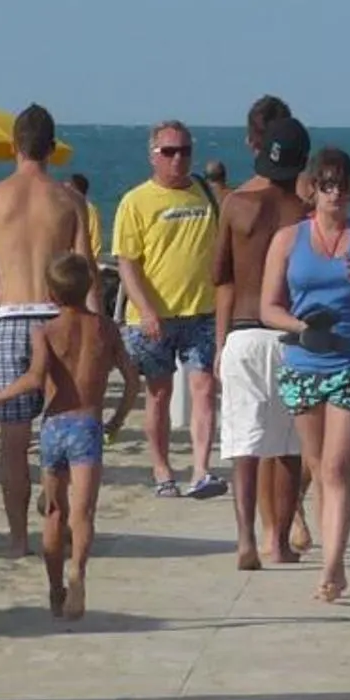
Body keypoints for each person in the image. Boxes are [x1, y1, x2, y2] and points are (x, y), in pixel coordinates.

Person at [0, 105, 90, 557]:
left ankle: (17, 540)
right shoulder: (70, 201)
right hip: (58, 321)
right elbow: (85, 272)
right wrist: (96, 330)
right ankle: (58, 522)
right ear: (52, 148)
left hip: (11, 321)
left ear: (13, 146)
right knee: (63, 434)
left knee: (13, 443)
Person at [260, 144, 350, 604]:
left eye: (343, 186)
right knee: (315, 466)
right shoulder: (287, 240)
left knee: (337, 469)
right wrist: (302, 327)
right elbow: (268, 307)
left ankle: (333, 568)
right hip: (303, 361)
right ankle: (326, 552)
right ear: (313, 190)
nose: (336, 194)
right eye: (327, 185)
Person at [0, 250, 126, 620]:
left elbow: (34, 378)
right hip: (87, 424)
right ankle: (77, 573)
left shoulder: (45, 331)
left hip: (53, 427)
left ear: (51, 295)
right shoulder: (105, 329)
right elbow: (133, 380)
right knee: (82, 511)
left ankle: (54, 586)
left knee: (54, 512)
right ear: (91, 286)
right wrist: (118, 419)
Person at [213, 110, 312, 568]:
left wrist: (218, 344)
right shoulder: (304, 214)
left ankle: (245, 541)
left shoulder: (235, 204)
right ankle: (281, 542)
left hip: (243, 332)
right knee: (289, 446)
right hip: (290, 334)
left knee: (244, 446)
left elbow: (223, 280)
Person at [111, 118, 225, 499]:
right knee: (159, 393)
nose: (178, 159)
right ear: (153, 156)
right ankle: (162, 469)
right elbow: (127, 262)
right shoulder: (136, 201)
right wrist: (145, 309)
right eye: (169, 152)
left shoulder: (206, 195)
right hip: (153, 317)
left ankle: (202, 470)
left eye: (185, 151)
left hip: (201, 311)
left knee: (205, 387)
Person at [67, 172, 104, 260]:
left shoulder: (90, 210)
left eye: (69, 187)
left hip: (80, 261)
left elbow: (95, 241)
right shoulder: (66, 207)